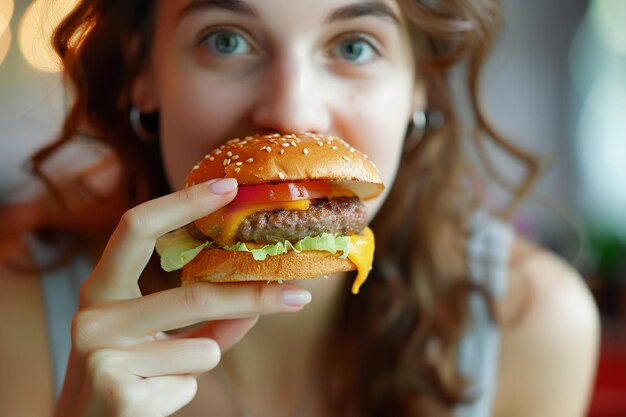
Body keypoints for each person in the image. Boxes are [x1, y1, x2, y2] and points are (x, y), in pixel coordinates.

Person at [0, 0, 600, 416]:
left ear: (420, 85)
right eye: (225, 40)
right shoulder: (20, 312)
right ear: (142, 71)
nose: (292, 112)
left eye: (354, 45)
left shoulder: (530, 325)